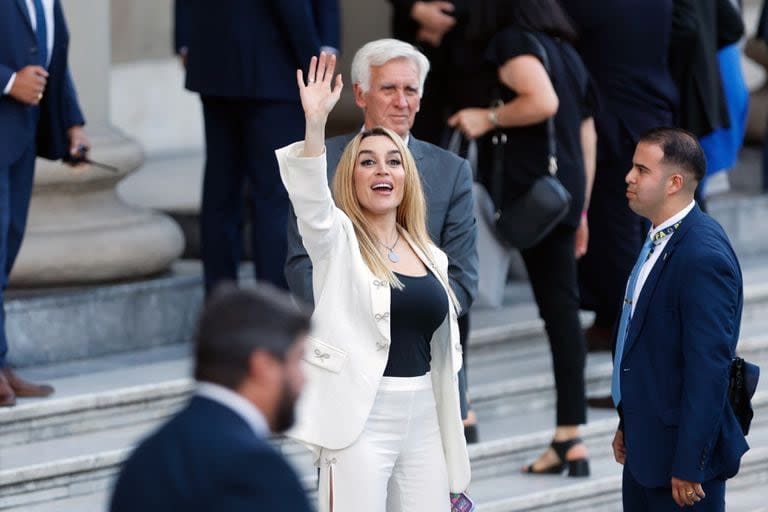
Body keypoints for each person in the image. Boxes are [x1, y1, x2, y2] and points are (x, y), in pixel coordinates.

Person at [278, 52, 470, 512]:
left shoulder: (430, 253)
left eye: (393, 162)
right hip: (360, 418)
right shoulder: (337, 241)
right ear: (351, 177)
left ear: (408, 178)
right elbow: (311, 205)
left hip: (425, 417)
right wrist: (316, 122)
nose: (382, 170)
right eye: (367, 162)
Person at [447, 0, 596, 477]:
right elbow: (587, 134)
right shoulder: (567, 50)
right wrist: (583, 207)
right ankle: (570, 437)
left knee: (458, 290)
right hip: (560, 198)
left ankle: (461, 410)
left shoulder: (513, 42)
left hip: (518, 200)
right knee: (562, 313)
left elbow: (542, 102)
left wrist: (485, 118)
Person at [610, 128, 748, 511]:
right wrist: (629, 421)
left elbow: (708, 367)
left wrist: (691, 463)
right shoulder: (661, 237)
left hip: (680, 470)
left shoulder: (702, 254)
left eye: (641, 170)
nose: (629, 177)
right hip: (646, 450)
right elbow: (649, 345)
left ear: (674, 182)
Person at [173, 0, 339, 294]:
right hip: (274, 68)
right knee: (273, 197)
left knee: (222, 194)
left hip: (217, 62)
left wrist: (185, 40)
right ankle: (271, 313)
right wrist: (315, 64)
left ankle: (221, 309)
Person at [109, 284, 312, 512]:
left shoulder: (145, 457)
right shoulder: (257, 469)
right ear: (262, 366)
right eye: (298, 359)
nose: (304, 379)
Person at [559, 0, 678, 352]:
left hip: (618, 127)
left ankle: (631, 349)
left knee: (621, 242)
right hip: (648, 112)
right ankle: (611, 322)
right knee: (633, 238)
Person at [0, 0, 90, 407]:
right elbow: (20, 71)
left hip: (19, 140)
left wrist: (72, 124)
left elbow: (54, 53)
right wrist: (6, 81)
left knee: (6, 253)